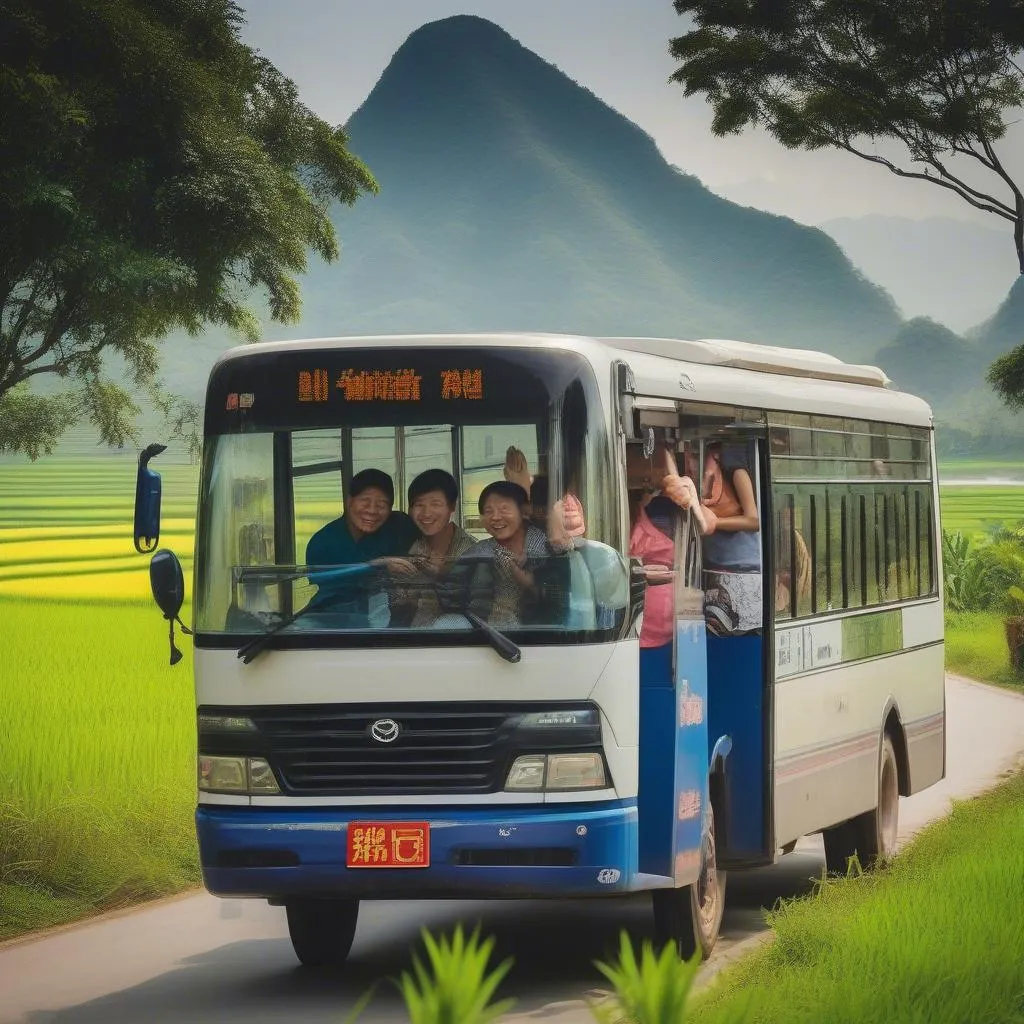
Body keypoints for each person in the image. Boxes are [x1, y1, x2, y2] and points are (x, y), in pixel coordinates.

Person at [443, 481, 570, 629]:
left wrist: (530, 584)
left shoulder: (548, 548)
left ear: (523, 512)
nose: (496, 517)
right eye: (488, 511)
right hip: (484, 636)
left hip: (540, 637)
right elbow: (452, 595)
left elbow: (562, 600)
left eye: (504, 509)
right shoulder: (477, 553)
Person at [304, 468, 418, 626]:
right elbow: (329, 592)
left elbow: (424, 554)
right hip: (335, 622)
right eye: (365, 501)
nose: (372, 511)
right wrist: (380, 566)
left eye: (381, 504)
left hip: (394, 622)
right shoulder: (322, 543)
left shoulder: (400, 526)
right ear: (349, 501)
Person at [386, 469, 476, 627]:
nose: (426, 513)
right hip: (419, 636)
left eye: (435, 504)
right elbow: (399, 604)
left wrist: (440, 576)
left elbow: (475, 606)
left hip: (458, 639)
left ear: (452, 506)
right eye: (419, 505)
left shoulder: (471, 550)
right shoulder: (414, 547)